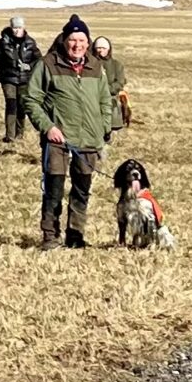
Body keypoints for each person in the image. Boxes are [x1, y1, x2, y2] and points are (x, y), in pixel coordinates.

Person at [23, 20, 122, 248]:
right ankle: (51, 236)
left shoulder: (96, 67)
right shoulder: (48, 64)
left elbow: (104, 100)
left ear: (88, 42)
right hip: (57, 140)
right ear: (64, 40)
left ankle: (75, 236)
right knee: (54, 189)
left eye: (82, 40)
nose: (77, 45)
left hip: (89, 140)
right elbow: (31, 99)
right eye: (73, 40)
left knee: (82, 190)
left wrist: (104, 127)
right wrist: (48, 127)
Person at [0, 16, 41, 145]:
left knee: (22, 106)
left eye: (19, 28)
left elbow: (39, 60)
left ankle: (19, 134)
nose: (17, 30)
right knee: (11, 104)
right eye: (14, 28)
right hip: (8, 78)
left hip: (25, 79)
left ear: (23, 27)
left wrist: (29, 67)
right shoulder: (2, 43)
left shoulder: (30, 42)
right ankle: (10, 136)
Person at [91, 34, 133, 128]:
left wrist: (105, 90)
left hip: (111, 101)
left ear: (108, 49)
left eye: (103, 48)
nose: (101, 50)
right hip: (93, 100)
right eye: (98, 48)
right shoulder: (90, 64)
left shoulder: (117, 65)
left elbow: (119, 83)